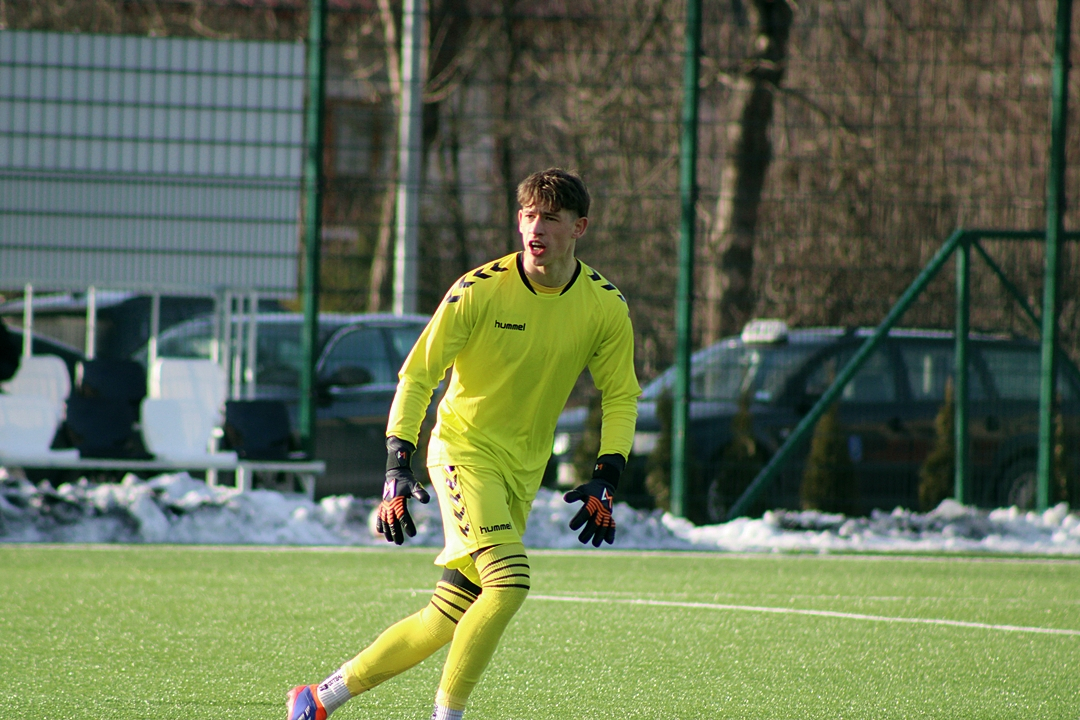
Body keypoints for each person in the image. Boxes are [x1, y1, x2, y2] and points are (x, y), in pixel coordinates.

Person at [287, 168, 640, 720]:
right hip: (462, 451)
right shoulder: (478, 289)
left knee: (445, 615)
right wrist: (397, 465)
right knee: (510, 582)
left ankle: (319, 697)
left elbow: (621, 396)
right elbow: (418, 375)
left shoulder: (604, 305)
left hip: (522, 470)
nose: (535, 228)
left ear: (580, 228)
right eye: (528, 216)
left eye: (550, 218)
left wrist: (607, 474)